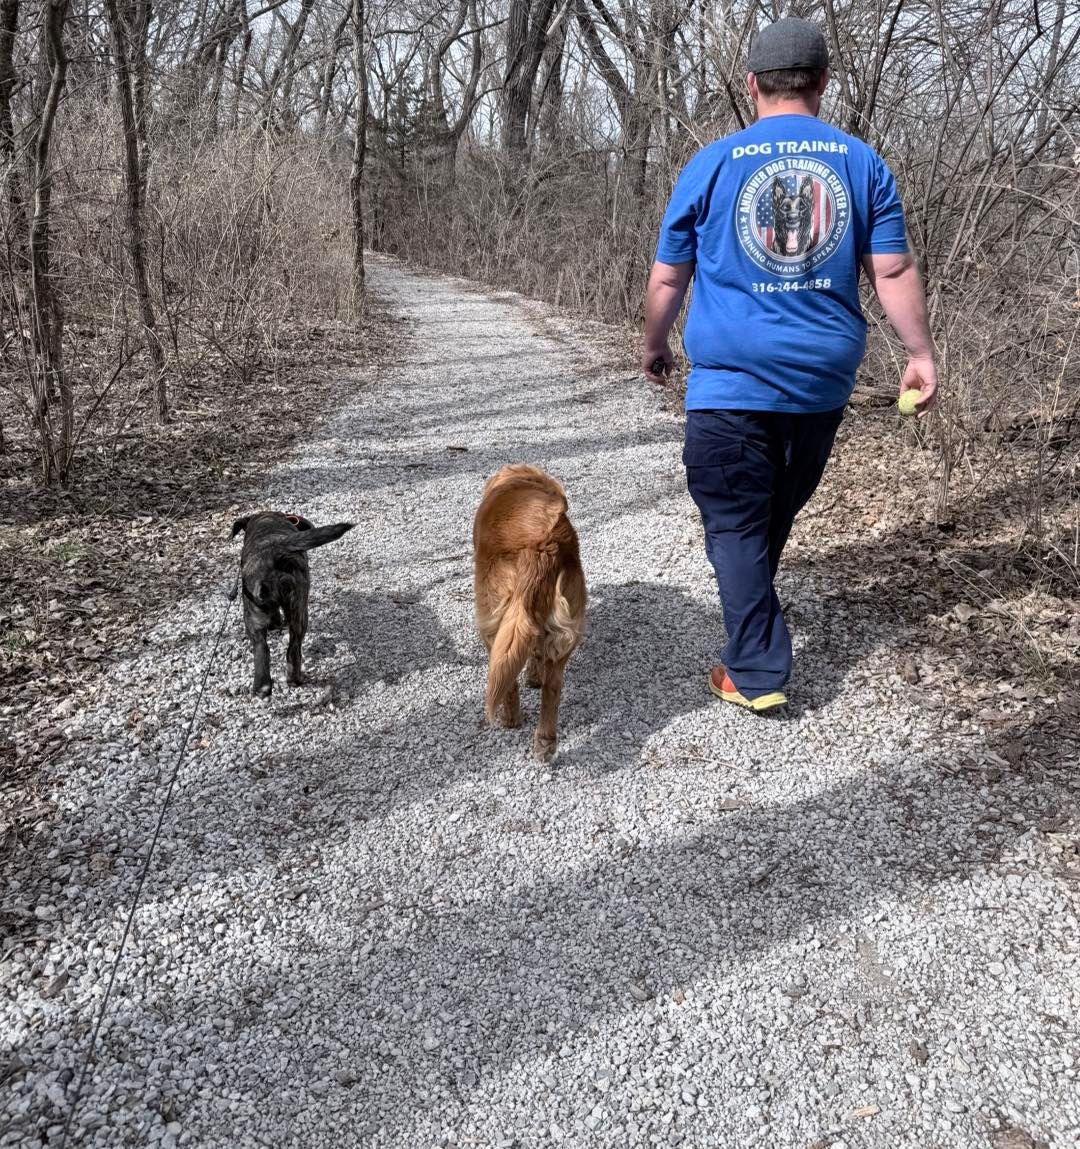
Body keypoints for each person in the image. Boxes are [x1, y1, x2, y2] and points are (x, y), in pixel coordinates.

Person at [643, 16, 937, 713]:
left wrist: (653, 342)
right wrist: (920, 353)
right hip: (819, 379)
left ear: (752, 85)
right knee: (765, 507)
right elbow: (890, 268)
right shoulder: (861, 163)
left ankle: (756, 670)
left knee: (737, 519)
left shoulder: (713, 162)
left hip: (731, 378)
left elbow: (666, 277)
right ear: (823, 84)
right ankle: (754, 620)